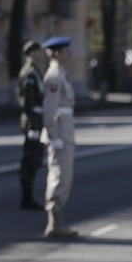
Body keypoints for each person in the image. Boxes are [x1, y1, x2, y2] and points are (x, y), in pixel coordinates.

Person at [41, 36, 79, 239]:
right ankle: (54, 224)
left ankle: (57, 223)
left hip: (65, 132)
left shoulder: (61, 73)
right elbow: (49, 110)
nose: (69, 54)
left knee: (65, 177)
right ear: (56, 54)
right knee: (58, 177)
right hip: (60, 134)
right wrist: (53, 134)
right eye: (66, 51)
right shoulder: (54, 76)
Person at [17, 40, 46, 210]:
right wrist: (35, 125)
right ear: (32, 54)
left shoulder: (34, 71)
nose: (42, 54)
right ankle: (26, 197)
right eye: (39, 51)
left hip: (35, 122)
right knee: (30, 159)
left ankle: (28, 197)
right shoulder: (29, 73)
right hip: (32, 124)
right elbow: (28, 104)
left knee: (35, 159)